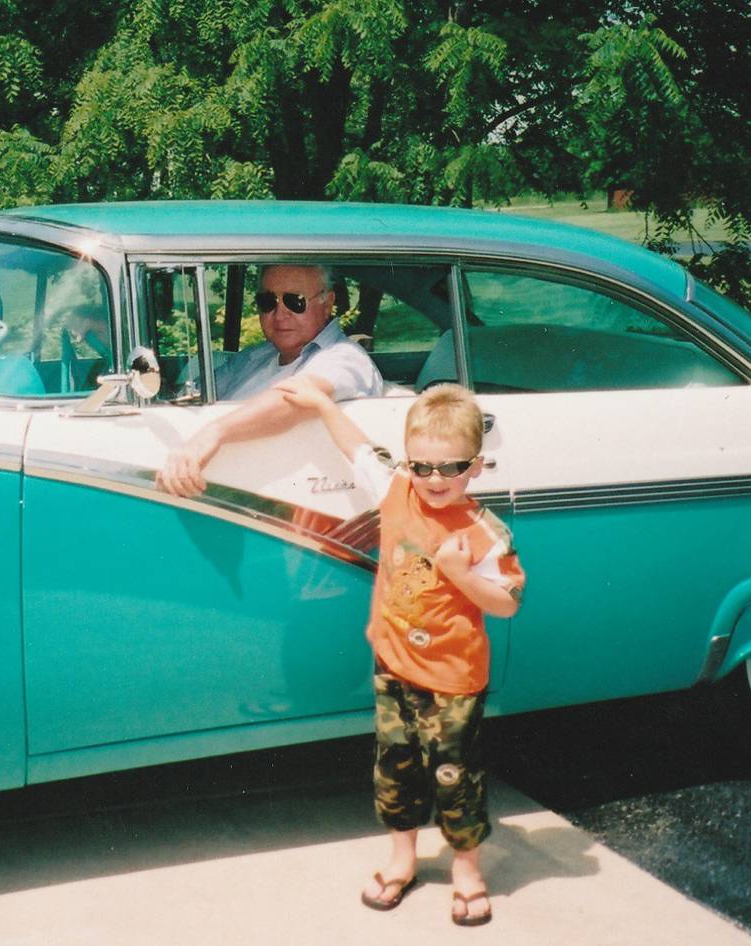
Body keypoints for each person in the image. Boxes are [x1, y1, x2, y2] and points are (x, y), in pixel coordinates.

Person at [275, 378, 525, 927]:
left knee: (455, 775)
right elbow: (356, 446)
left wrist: (460, 573)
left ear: (476, 466)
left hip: (454, 680)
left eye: (451, 467)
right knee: (396, 766)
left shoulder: (486, 532)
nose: (434, 480)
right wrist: (320, 403)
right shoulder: (396, 489)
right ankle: (403, 858)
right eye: (422, 466)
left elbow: (507, 605)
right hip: (393, 665)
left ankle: (466, 867)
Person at [155, 264, 382, 497]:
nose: (280, 313)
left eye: (295, 301)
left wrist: (212, 434)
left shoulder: (343, 357)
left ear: (327, 303)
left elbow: (295, 399)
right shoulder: (259, 354)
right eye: (268, 301)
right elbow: (199, 392)